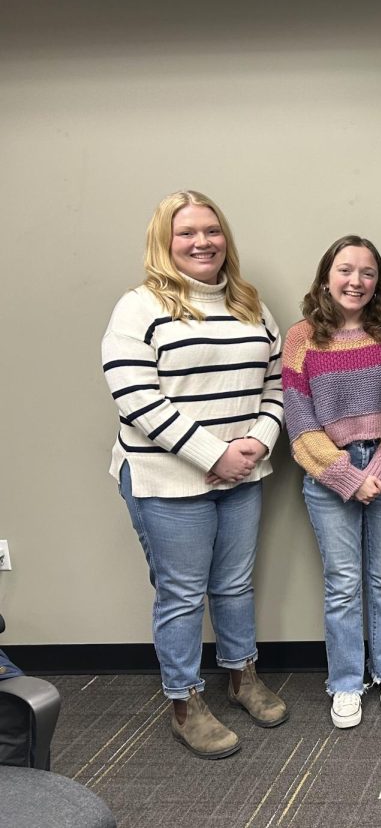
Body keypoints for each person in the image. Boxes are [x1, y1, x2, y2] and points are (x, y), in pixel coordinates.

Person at [102, 190, 288, 759]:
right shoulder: (139, 307)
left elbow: (277, 384)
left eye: (211, 230)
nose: (202, 242)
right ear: (165, 243)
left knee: (233, 585)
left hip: (243, 474)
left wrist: (256, 442)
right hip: (166, 478)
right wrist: (214, 454)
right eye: (186, 233)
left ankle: (242, 677)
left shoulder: (250, 303)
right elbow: (135, 398)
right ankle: (185, 703)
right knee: (182, 595)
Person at [282, 236, 381, 729]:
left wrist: (379, 470)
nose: (355, 281)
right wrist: (346, 476)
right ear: (326, 277)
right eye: (345, 270)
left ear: (377, 282)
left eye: (367, 273)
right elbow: (298, 423)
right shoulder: (301, 337)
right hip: (327, 474)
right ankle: (345, 681)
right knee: (343, 583)